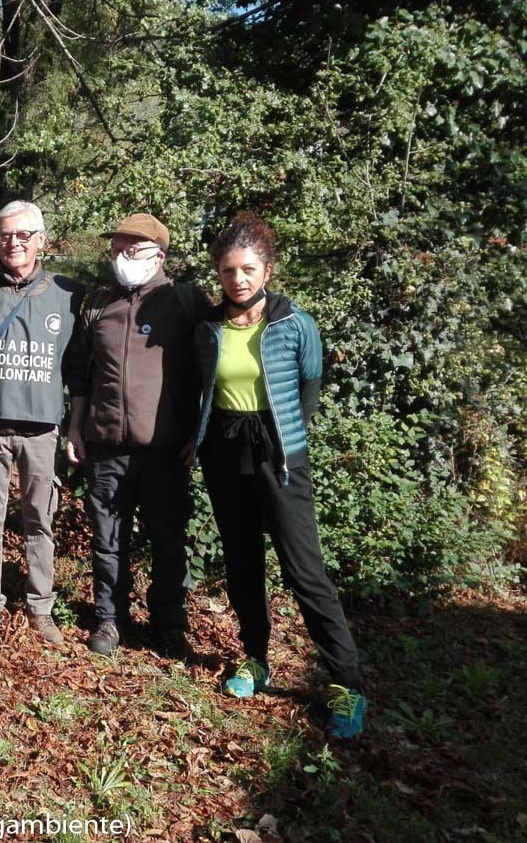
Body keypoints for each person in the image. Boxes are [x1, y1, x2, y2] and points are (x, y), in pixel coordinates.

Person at [193, 213, 366, 738]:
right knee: (242, 560)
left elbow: (308, 390)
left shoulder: (295, 324)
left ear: (266, 269)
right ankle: (255, 658)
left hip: (279, 455)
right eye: (227, 271)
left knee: (303, 568)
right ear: (218, 275)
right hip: (224, 451)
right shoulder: (208, 328)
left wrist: (283, 435)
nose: (238, 280)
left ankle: (347, 683)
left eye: (247, 269)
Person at [64, 213, 211, 658]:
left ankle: (168, 624)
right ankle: (110, 619)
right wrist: (75, 427)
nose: (121, 258)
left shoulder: (186, 302)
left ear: (158, 256)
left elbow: (211, 372)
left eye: (131, 250)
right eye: (116, 250)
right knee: (108, 538)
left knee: (168, 540)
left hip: (166, 450)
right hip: (106, 446)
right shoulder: (97, 305)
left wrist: (196, 434)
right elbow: (80, 375)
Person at [0, 201, 84, 647]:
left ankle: (40, 606)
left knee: (40, 521)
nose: (15, 242)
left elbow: (81, 367)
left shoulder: (68, 294)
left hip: (42, 430)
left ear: (41, 241)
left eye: (24, 234)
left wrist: (76, 425)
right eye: (6, 235)